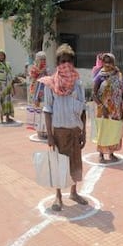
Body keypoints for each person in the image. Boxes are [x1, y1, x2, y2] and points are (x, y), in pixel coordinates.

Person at [40, 44, 88, 212]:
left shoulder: (78, 84)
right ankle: (58, 196)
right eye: (62, 61)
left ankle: (74, 192)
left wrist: (84, 132)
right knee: (59, 164)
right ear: (58, 63)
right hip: (59, 132)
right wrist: (50, 135)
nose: (65, 64)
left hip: (75, 131)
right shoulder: (50, 83)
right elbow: (47, 110)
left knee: (75, 163)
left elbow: (83, 109)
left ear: (72, 62)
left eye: (68, 61)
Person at [92, 53, 123, 163]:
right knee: (103, 131)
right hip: (103, 111)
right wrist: (102, 107)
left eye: (110, 61)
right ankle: (101, 154)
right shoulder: (100, 76)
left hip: (116, 110)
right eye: (105, 61)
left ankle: (111, 153)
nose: (107, 64)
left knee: (114, 131)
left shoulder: (119, 75)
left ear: (114, 62)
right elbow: (94, 94)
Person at [27, 51, 49, 138]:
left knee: (45, 111)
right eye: (41, 59)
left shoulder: (47, 69)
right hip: (36, 92)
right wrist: (40, 71)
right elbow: (33, 77)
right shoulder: (33, 68)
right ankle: (39, 131)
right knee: (37, 111)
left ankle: (45, 130)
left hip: (45, 92)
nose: (43, 61)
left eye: (44, 59)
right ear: (37, 60)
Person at [0, 49, 15, 123]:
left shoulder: (7, 64)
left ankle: (8, 117)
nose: (1, 56)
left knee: (8, 102)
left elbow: (10, 76)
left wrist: (12, 87)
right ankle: (1, 118)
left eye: (2, 55)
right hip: (0, 87)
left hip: (8, 87)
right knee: (0, 102)